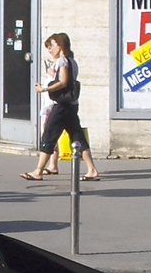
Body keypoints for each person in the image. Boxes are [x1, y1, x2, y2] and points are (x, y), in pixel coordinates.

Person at [23, 32, 99, 182]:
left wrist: (44, 89)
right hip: (71, 105)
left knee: (49, 136)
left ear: (60, 45)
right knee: (77, 137)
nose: (50, 49)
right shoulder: (72, 61)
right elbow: (68, 79)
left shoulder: (62, 61)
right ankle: (92, 169)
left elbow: (63, 82)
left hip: (61, 106)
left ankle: (38, 171)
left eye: (52, 46)